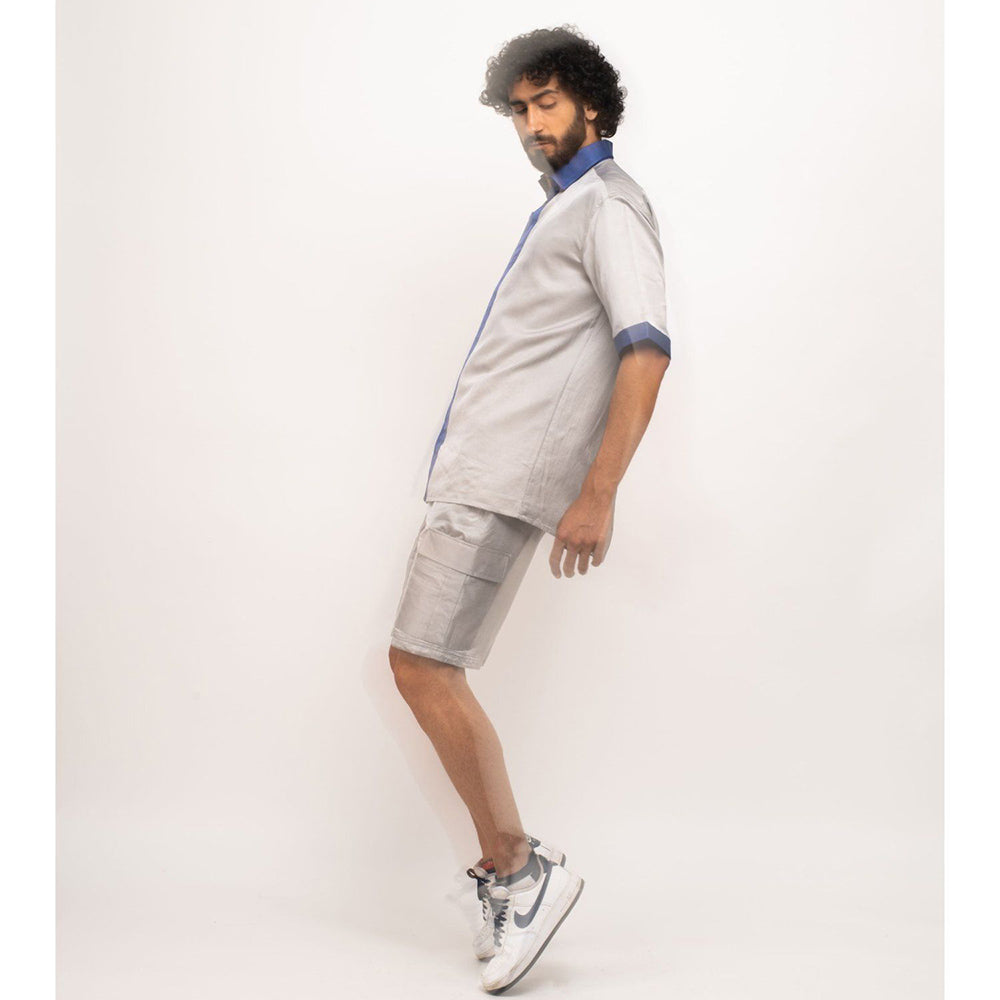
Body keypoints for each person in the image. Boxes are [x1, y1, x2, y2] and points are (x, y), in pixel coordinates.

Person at [387, 24, 671, 995]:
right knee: (426, 665)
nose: (530, 123)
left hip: (501, 481)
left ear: (591, 103)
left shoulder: (608, 206)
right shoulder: (566, 208)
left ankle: (519, 869)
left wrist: (599, 491)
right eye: (517, 109)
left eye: (545, 102)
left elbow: (646, 348)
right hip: (480, 473)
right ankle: (511, 867)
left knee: (421, 665)